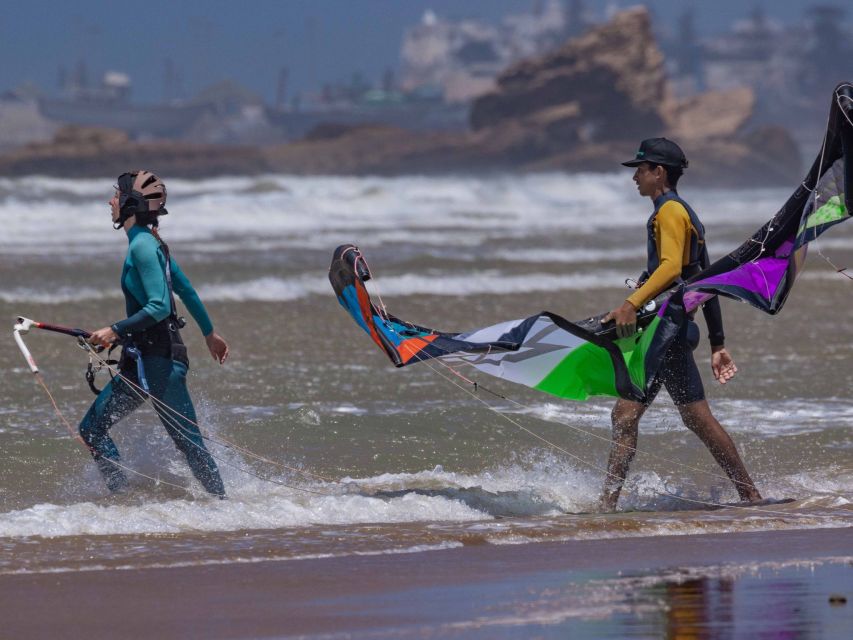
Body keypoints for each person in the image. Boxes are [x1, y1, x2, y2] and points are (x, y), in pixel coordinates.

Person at [599, 138, 762, 511]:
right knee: (697, 418)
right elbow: (705, 281)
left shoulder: (669, 212)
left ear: (659, 172)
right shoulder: (686, 214)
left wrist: (630, 303)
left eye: (640, 170)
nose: (635, 177)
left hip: (666, 331)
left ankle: (606, 505)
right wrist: (717, 342)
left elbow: (672, 268)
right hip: (676, 329)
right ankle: (750, 495)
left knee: (624, 414)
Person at [79, 170, 229, 496]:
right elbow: (186, 291)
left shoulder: (144, 247)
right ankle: (123, 497)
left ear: (130, 203)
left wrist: (115, 330)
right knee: (91, 429)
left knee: (190, 445)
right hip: (141, 362)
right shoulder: (148, 244)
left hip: (160, 362)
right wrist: (209, 334)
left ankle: (226, 508)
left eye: (116, 196)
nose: (110, 201)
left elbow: (160, 306)